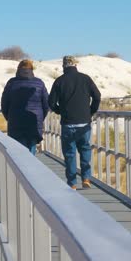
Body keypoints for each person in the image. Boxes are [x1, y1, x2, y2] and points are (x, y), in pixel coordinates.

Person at [49, 55, 101, 189]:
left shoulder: (59, 81)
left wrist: (59, 111)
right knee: (85, 149)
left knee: (70, 153)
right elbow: (97, 96)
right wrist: (91, 111)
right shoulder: (85, 79)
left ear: (63, 66)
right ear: (76, 65)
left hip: (67, 123)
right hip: (84, 122)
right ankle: (86, 178)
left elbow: (51, 102)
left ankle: (72, 183)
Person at [1, 59, 49, 154]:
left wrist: (9, 118)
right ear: (31, 69)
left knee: (19, 151)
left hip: (16, 121)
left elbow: (4, 104)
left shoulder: (11, 83)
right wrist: (40, 118)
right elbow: (46, 104)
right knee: (32, 146)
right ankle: (31, 166)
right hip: (33, 121)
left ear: (18, 69)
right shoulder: (39, 83)